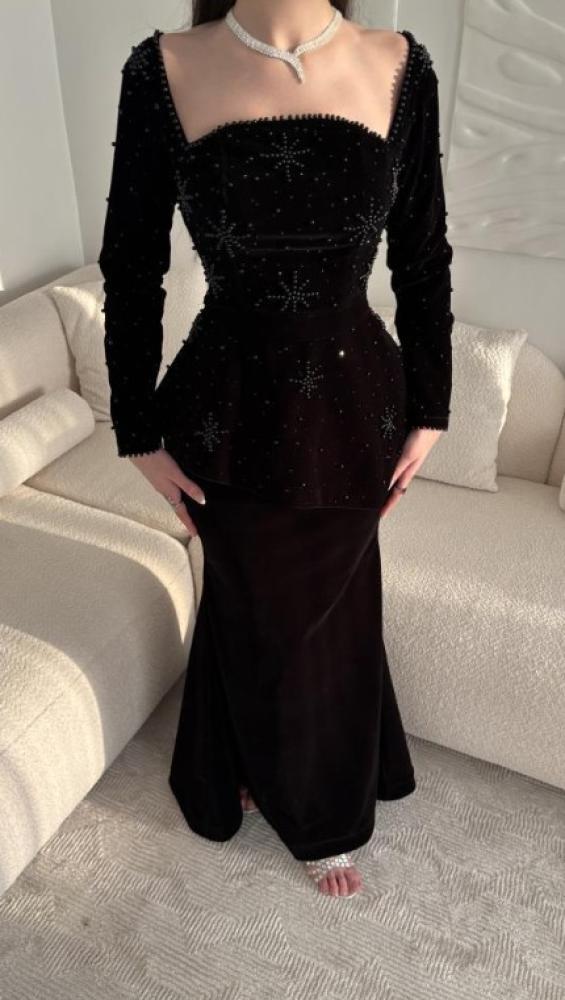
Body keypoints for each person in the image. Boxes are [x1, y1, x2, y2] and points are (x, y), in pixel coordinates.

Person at [98, 0, 454, 898]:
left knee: (330, 612)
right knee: (255, 608)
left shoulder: (400, 64)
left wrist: (432, 408)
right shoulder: (160, 69)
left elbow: (422, 255)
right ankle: (255, 773)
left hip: (357, 407)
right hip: (223, 411)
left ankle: (319, 805)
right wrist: (135, 429)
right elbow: (131, 264)